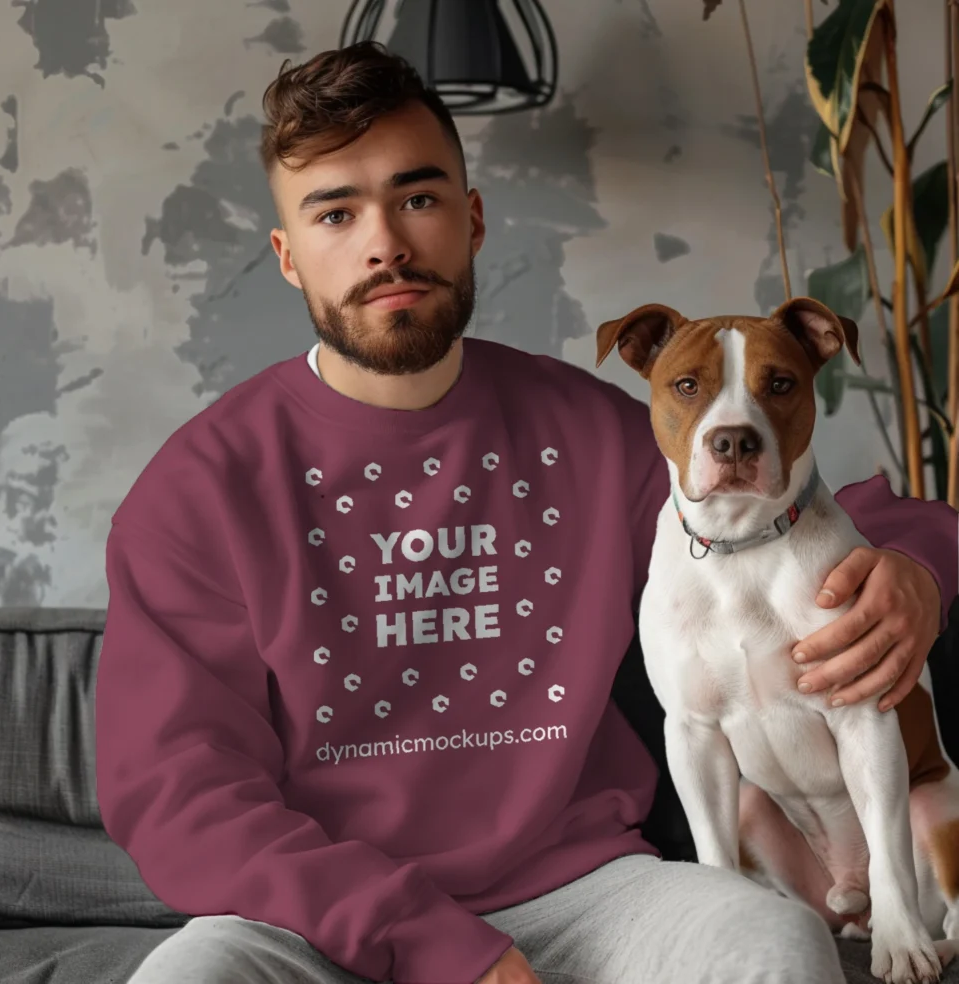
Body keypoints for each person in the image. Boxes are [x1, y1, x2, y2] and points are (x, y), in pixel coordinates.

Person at [96, 41, 958, 984]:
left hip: (588, 894)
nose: (384, 242)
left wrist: (914, 570)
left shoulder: (588, 430)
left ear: (470, 221)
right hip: (313, 921)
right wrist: (434, 946)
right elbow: (181, 796)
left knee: (773, 947)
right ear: (289, 257)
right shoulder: (200, 487)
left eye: (417, 197)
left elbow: (798, 513)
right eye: (335, 212)